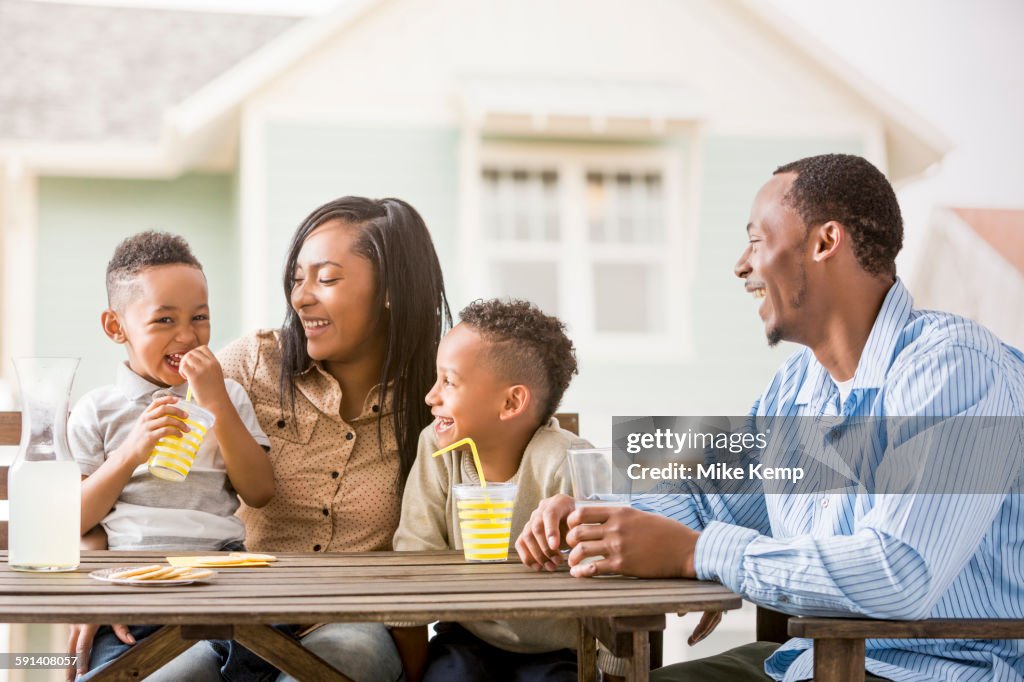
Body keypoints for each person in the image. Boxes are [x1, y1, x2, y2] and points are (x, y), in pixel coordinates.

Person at [517, 153, 1024, 681]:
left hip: (937, 670)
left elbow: (899, 572)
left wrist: (697, 553)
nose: (741, 265)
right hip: (807, 663)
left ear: (825, 243)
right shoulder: (798, 385)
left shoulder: (955, 369)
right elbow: (712, 497)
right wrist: (593, 514)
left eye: (757, 242)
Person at [216, 196, 452, 681]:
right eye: (297, 279)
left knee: (344, 662)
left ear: (390, 289)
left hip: (355, 621)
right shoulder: (249, 365)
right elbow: (140, 467)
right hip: (234, 615)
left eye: (326, 279)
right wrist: (95, 559)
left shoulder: (439, 392)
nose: (301, 297)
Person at [66, 231, 274, 680]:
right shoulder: (97, 411)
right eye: (164, 320)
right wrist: (129, 454)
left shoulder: (226, 396)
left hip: (219, 579)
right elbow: (71, 520)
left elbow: (258, 491)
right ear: (115, 327)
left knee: (252, 653)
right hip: (134, 587)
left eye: (199, 317)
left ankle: (201, 659)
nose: (187, 335)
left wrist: (216, 402)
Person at [389, 298, 625, 681]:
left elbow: (614, 584)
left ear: (511, 401)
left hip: (557, 652)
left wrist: (616, 676)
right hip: (465, 638)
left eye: (448, 381)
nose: (431, 396)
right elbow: (414, 568)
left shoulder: (566, 462)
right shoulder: (436, 446)